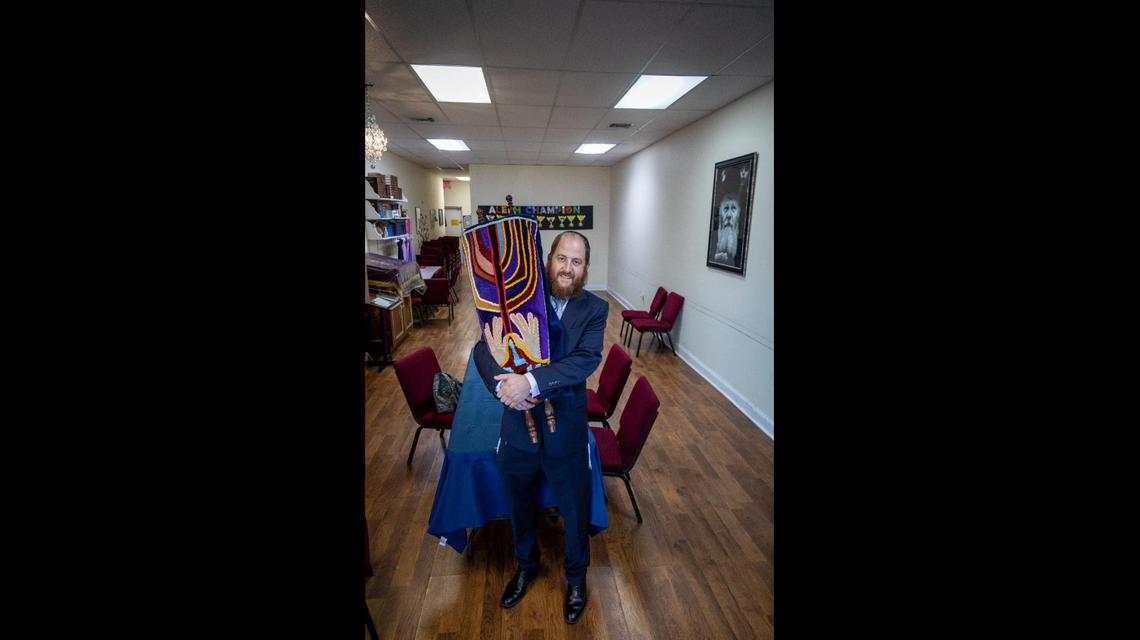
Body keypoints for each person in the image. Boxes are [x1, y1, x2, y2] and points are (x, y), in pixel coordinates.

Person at [472, 230, 607, 625]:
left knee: (574, 508)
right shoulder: (518, 297)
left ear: (585, 268)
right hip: (516, 425)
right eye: (562, 258)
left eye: (576, 262)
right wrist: (505, 387)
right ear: (549, 259)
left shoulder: (595, 310)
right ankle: (526, 565)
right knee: (519, 504)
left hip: (565, 428)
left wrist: (530, 383)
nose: (567, 268)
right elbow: (483, 347)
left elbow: (583, 360)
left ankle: (577, 579)